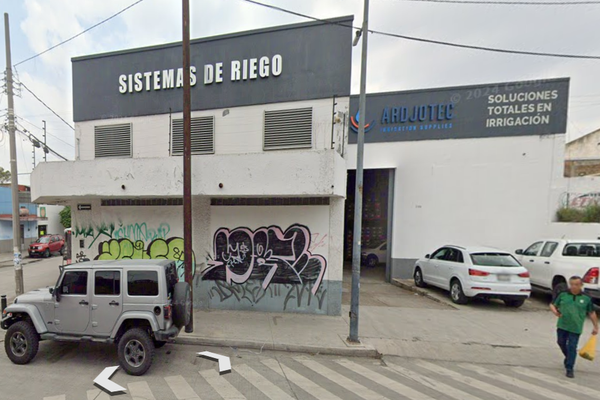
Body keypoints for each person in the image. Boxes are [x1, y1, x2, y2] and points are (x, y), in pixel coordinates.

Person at [550, 276, 599, 378]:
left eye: (576, 284)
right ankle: (569, 357)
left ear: (581, 285)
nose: (573, 286)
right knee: (561, 342)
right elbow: (553, 304)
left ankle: (569, 368)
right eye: (571, 284)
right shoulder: (563, 294)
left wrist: (595, 326)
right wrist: (555, 311)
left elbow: (591, 312)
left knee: (572, 347)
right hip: (563, 325)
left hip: (576, 327)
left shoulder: (586, 298)